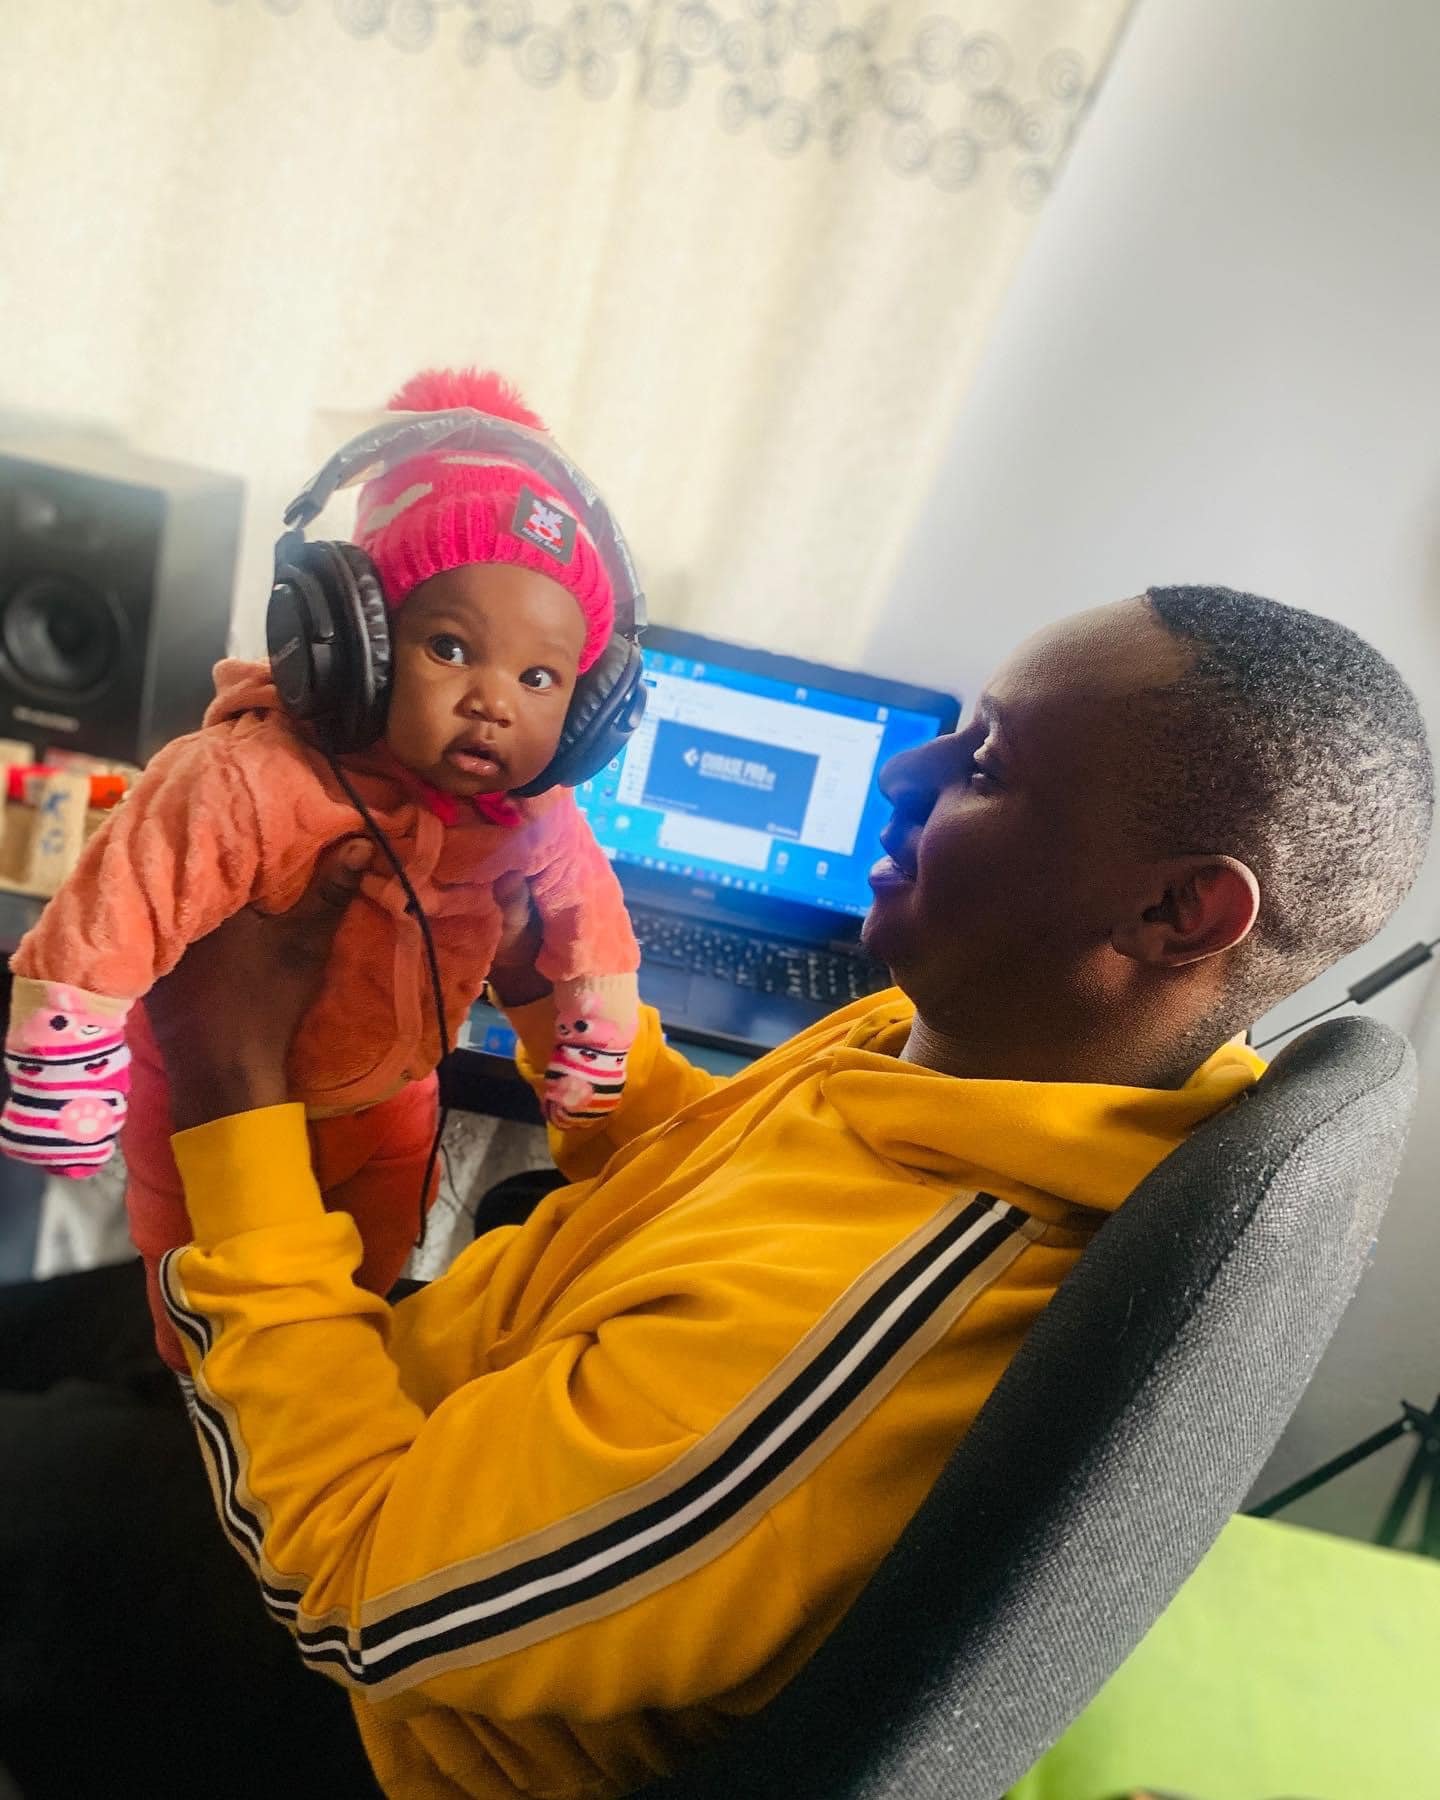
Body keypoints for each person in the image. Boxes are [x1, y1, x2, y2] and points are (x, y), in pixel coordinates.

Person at [0, 587, 1430, 1800]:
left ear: (1179, 911)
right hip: (427, 1389)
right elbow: (712, 1163)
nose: (907, 773)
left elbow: (361, 1599)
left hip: (369, 1701)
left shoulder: (884, 1325)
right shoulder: (986, 1057)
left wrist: (233, 1078)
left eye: (987, 767)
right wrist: (555, 995)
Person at [0, 367, 642, 1371]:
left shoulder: (531, 814)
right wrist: (64, 1046)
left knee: (361, 1300)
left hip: (392, 1104)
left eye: (538, 677)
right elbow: (130, 888)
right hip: (203, 1113)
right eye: (449, 648)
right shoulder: (252, 777)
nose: (493, 702)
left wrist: (592, 1032)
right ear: (350, 644)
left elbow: (584, 915)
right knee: (207, 1331)